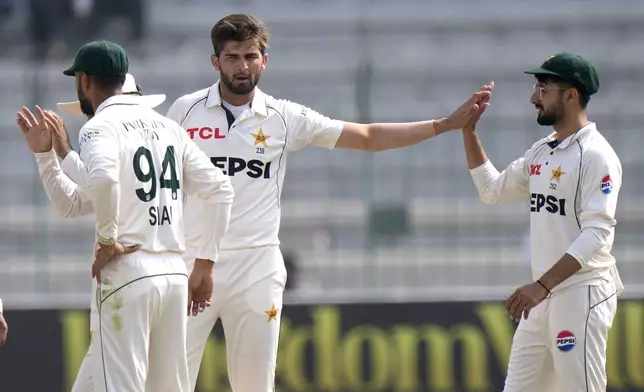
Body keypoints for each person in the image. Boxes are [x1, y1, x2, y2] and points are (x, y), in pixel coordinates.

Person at [164, 13, 491, 391]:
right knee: (169, 381)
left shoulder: (283, 117)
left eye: (251, 56)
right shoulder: (185, 111)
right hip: (193, 262)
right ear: (215, 60)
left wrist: (443, 125)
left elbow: (366, 136)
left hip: (256, 268)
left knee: (254, 386)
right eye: (233, 57)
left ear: (264, 60)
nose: (243, 66)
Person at [17, 40, 235, 392]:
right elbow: (221, 190)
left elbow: (103, 180)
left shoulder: (100, 127)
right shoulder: (169, 129)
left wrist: (107, 240)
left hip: (128, 272)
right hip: (173, 273)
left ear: (85, 80)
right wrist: (205, 264)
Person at [460, 53, 623, 391]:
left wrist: (542, 286)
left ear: (571, 94)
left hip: (582, 292)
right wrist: (468, 130)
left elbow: (597, 235)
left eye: (544, 88)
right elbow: (492, 190)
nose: (535, 97)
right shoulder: (543, 151)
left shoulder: (597, 156)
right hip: (543, 297)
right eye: (536, 87)